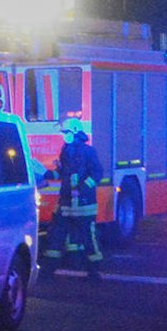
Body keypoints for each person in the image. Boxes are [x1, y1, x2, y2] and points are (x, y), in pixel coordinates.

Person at [53, 117, 104, 279]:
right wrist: (48, 174)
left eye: (66, 132)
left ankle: (94, 270)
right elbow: (63, 173)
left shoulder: (89, 151)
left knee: (88, 236)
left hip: (84, 204)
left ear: (75, 131)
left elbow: (97, 173)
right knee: (59, 235)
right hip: (67, 202)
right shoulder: (65, 150)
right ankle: (54, 268)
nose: (64, 135)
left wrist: (84, 188)